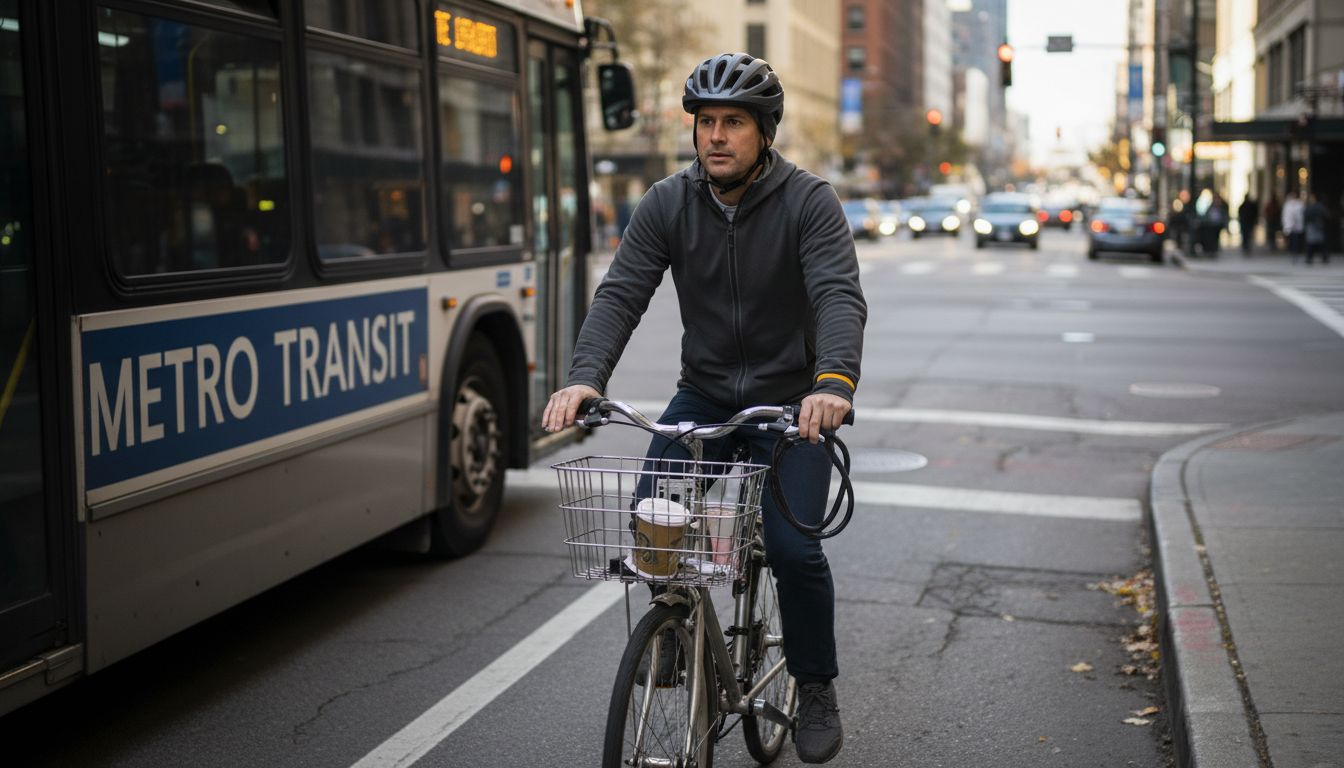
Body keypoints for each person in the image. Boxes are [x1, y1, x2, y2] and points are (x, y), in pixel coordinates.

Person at [542, 52, 866, 764]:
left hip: (791, 406)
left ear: (764, 133)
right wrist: (583, 378)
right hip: (707, 395)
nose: (716, 136)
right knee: (653, 528)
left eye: (734, 123)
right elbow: (621, 293)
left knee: (791, 548)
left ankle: (814, 686)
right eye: (707, 122)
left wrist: (832, 383)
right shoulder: (667, 201)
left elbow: (837, 295)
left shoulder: (809, 202)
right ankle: (676, 633)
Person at [1303, 193, 1330, 265]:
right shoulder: (1312, 206)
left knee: (1318, 243)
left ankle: (1321, 257)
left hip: (1317, 226)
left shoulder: (1317, 206)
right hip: (1313, 226)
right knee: (1313, 243)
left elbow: (1326, 214)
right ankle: (1310, 257)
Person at [1282, 192, 1306, 261]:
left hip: (1296, 225)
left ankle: (1295, 251)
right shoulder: (1289, 205)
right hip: (1291, 225)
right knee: (1293, 239)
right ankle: (1294, 251)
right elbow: (1285, 216)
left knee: (1295, 239)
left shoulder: (1299, 204)